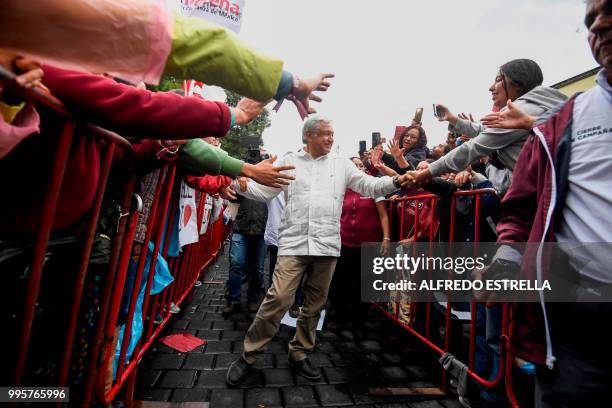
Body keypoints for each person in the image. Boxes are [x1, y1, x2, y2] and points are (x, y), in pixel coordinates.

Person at [474, 1, 612, 406]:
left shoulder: (539, 119)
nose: (600, 24)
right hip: (575, 329)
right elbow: (520, 206)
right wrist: (505, 260)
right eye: (590, 19)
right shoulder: (563, 123)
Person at [225, 116, 411, 386]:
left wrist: (396, 182)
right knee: (277, 298)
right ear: (309, 136)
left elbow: (369, 187)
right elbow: (262, 192)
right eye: (325, 134)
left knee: (314, 306)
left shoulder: (341, 165)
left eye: (333, 134)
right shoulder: (289, 161)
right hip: (293, 244)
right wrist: (238, 183)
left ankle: (299, 354)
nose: (331, 138)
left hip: (326, 246)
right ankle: (249, 355)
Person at [405, 59, 567, 191]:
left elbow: (472, 148)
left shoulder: (523, 109)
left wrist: (426, 173)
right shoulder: (535, 106)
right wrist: (453, 119)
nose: (491, 88)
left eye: (498, 80)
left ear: (517, 83)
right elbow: (486, 131)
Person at [328, 157, 391, 324]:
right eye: (354, 166)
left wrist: (386, 237)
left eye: (361, 165)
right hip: (344, 241)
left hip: (368, 242)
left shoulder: (372, 186)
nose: (359, 168)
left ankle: (360, 315)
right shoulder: (339, 188)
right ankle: (340, 313)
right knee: (341, 280)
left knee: (363, 280)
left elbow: (383, 215)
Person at [223, 196, 268, 315]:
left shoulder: (270, 180)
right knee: (236, 264)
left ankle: (253, 299)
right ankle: (234, 301)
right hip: (240, 228)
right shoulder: (244, 179)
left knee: (258, 268)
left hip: (262, 230)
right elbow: (232, 197)